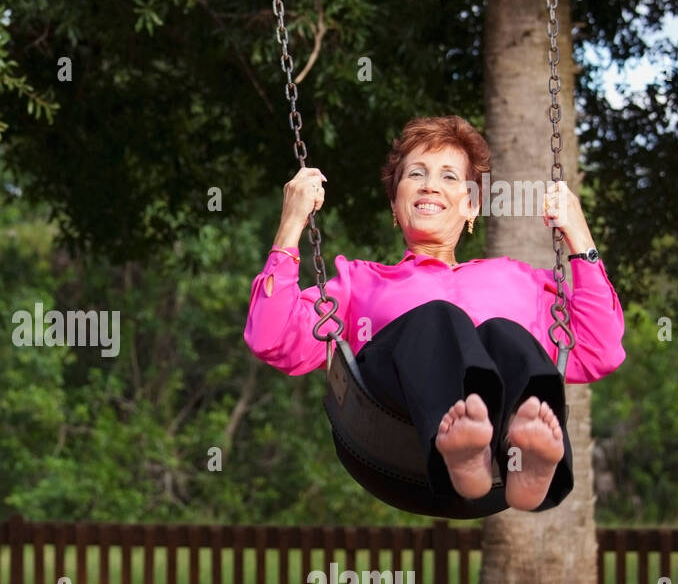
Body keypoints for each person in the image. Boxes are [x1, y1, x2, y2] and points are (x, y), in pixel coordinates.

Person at [243, 116, 625, 512]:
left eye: (449, 176)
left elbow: (600, 349)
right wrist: (291, 223)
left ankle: (521, 452)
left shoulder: (519, 280)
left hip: (496, 465)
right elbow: (273, 338)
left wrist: (579, 236)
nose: (430, 185)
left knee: (506, 335)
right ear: (395, 204)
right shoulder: (360, 281)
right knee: (437, 319)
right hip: (392, 439)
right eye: (416, 174)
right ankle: (459, 444)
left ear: (472, 205)